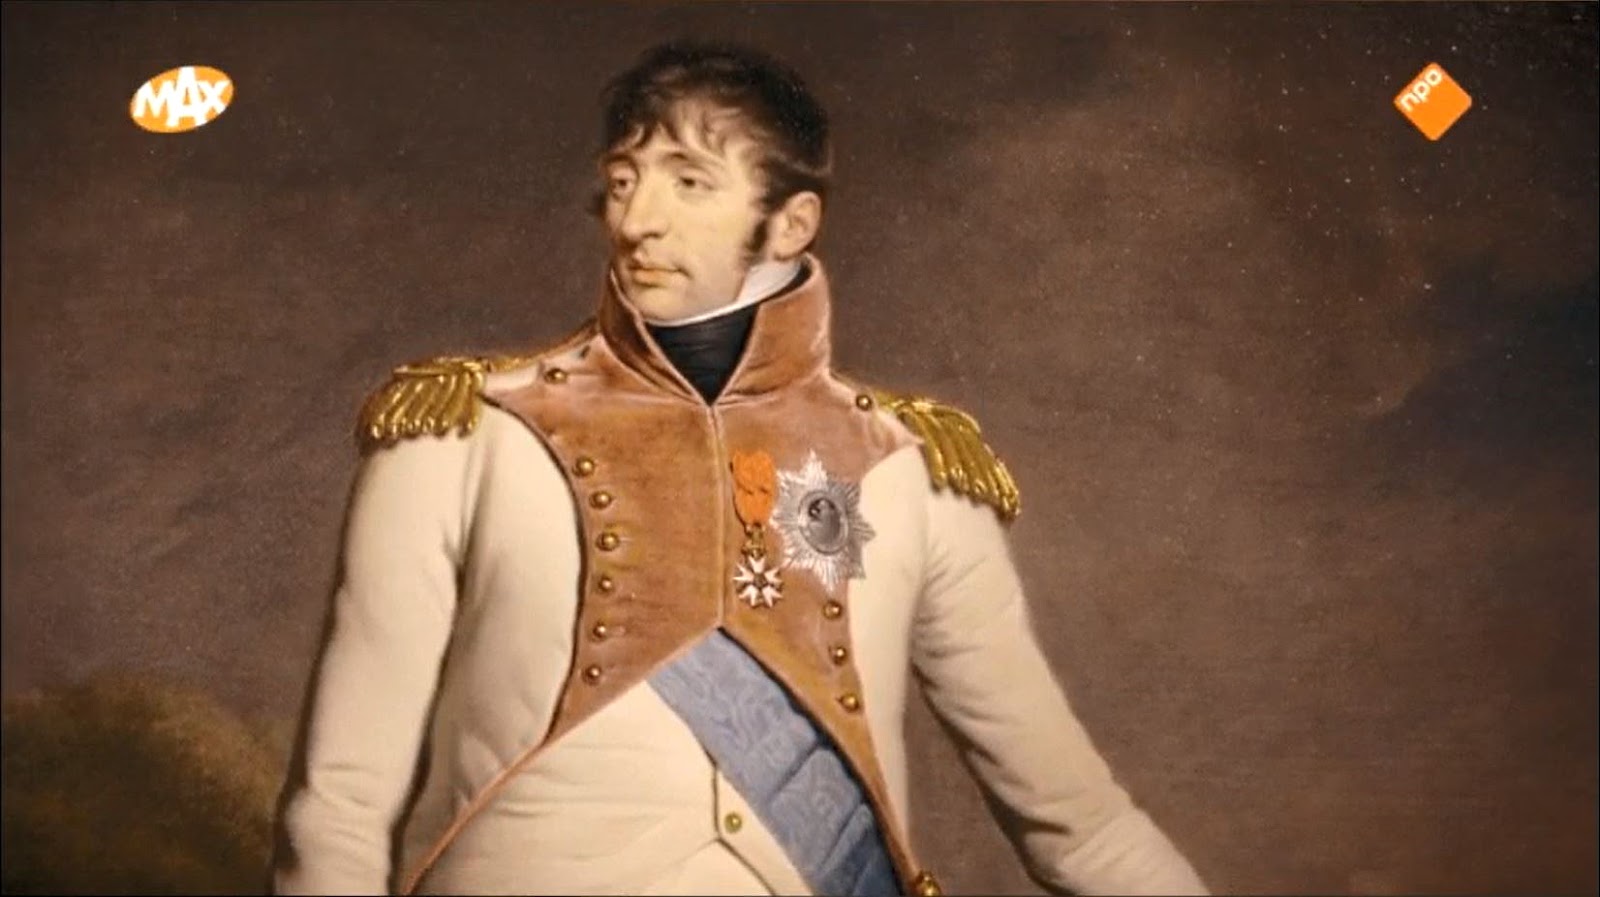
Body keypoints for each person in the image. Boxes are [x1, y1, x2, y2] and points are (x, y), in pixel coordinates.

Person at [273, 40, 1208, 897]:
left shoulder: (908, 471)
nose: (637, 220)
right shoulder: (460, 438)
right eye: (624, 179)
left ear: (792, 223)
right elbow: (341, 806)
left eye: (689, 182)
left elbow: (1081, 823)